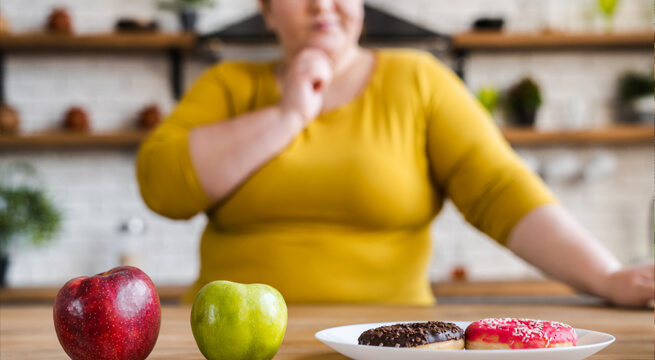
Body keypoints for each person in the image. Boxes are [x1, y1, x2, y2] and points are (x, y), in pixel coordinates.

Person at [137, 0, 654, 306]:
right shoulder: (227, 84)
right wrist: (289, 115)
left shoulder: (420, 79)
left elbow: (500, 190)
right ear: (267, 10)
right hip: (232, 348)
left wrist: (608, 278)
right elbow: (163, 185)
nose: (322, 4)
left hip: (387, 343)